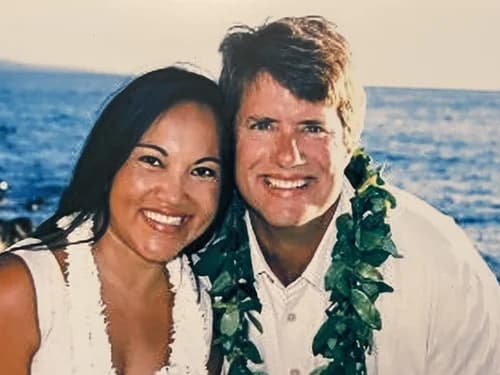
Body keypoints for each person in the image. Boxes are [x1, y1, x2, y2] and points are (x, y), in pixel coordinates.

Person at [194, 16, 500, 374]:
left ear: (349, 139)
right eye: (263, 125)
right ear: (230, 135)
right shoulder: (194, 258)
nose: (287, 155)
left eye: (312, 128)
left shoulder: (439, 262)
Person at [0, 66, 231, 375]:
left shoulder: (202, 312)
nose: (174, 196)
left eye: (203, 171)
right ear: (110, 163)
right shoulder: (18, 292)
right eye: (152, 160)